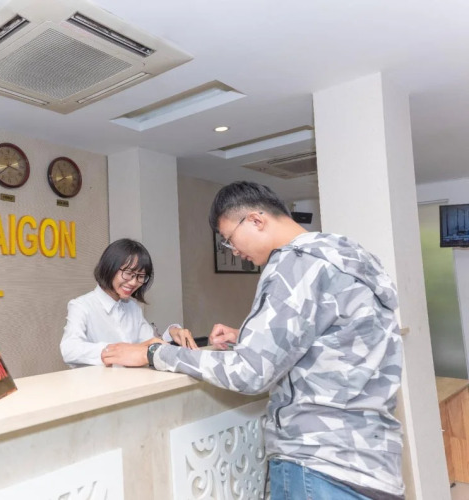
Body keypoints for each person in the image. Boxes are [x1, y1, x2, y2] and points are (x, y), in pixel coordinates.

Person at [102, 181, 404, 500]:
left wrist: (156, 354)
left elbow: (251, 372)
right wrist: (248, 337)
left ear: (256, 220)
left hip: (320, 463)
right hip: (374, 461)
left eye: (230, 239)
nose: (234, 251)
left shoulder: (295, 263)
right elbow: (330, 341)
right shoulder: (347, 256)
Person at [60, 238, 196, 367]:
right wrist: (118, 351)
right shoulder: (81, 306)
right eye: (128, 273)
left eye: (140, 276)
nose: (133, 282)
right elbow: (69, 350)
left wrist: (171, 333)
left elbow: (149, 343)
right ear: (109, 267)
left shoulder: (132, 308)